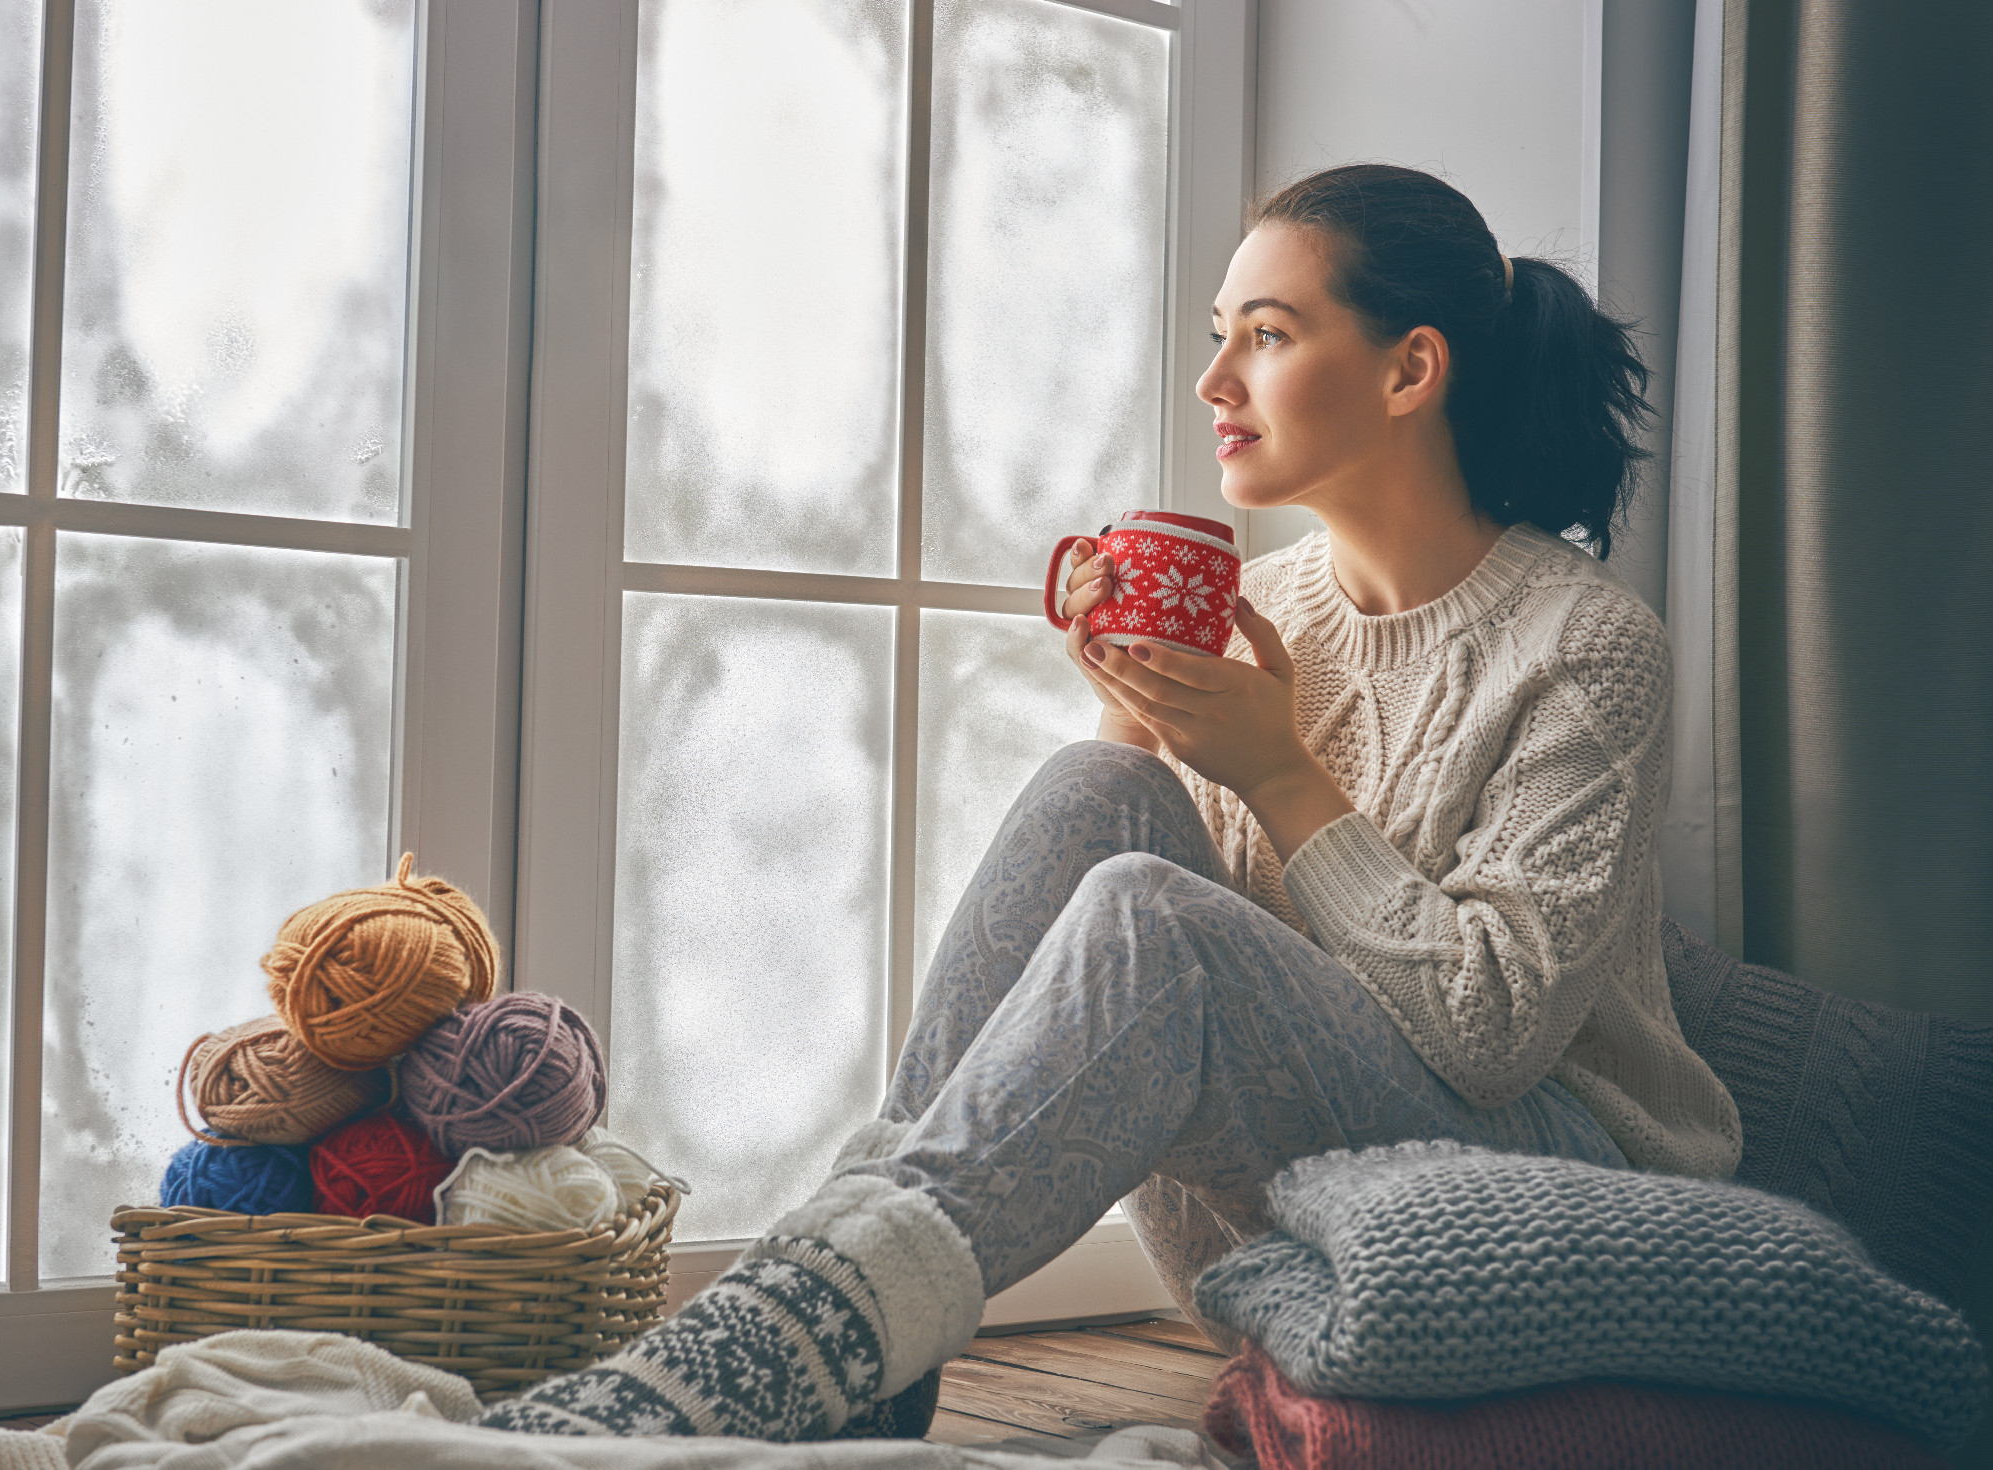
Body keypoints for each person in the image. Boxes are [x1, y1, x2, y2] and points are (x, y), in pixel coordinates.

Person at [481, 163, 1742, 1443]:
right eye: (1217, 337)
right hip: (1294, 1203)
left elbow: (1490, 1032)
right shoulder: (1276, 608)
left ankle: (786, 1337)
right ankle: (836, 1331)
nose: (1214, 383)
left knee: (1152, 915)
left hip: (1557, 1198)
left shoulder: (1584, 643)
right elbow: (1188, 957)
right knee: (1101, 787)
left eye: (1266, 335)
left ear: (1409, 371)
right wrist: (1133, 711)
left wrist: (1278, 773)